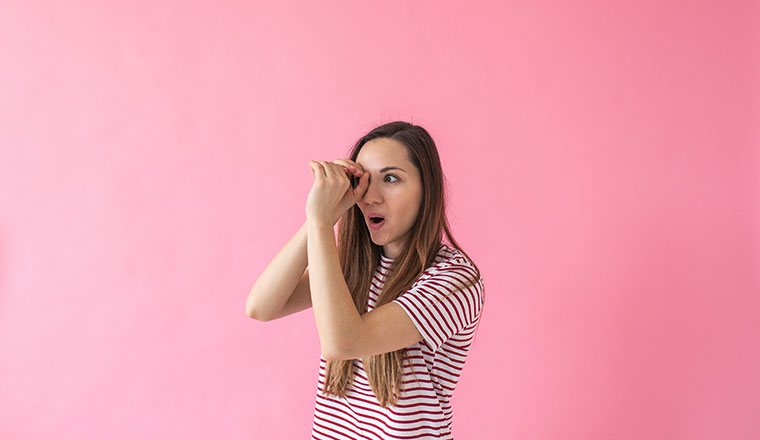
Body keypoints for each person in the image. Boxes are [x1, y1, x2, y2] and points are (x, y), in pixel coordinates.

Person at [246, 121, 485, 439]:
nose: (371, 197)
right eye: (364, 181)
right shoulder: (353, 268)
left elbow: (343, 343)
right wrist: (323, 216)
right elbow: (261, 306)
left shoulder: (455, 281)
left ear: (427, 189)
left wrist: (320, 221)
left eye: (390, 178)